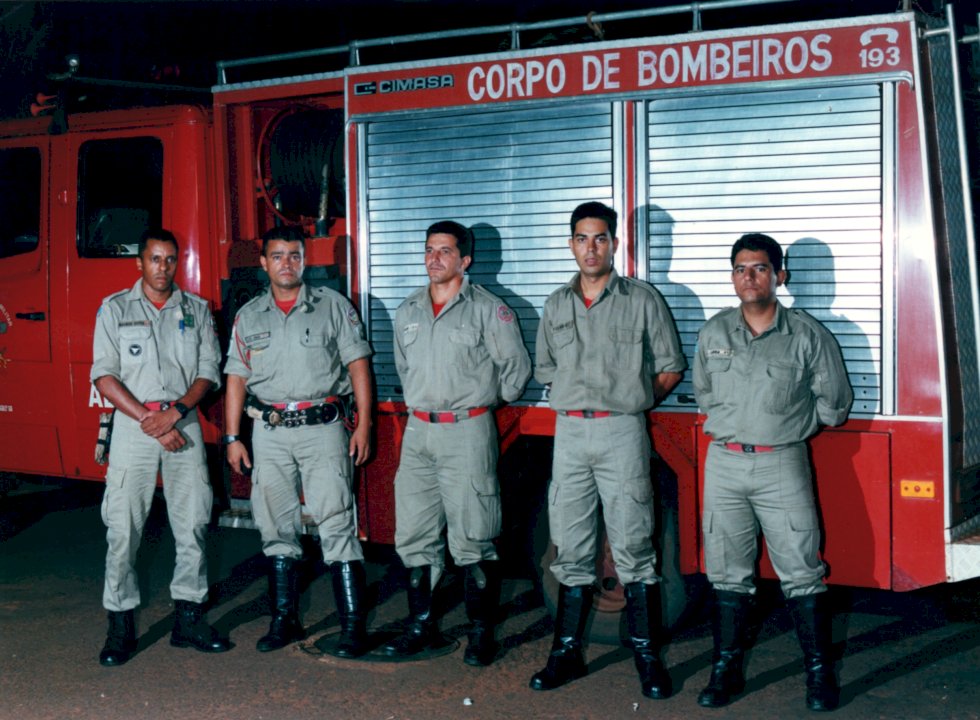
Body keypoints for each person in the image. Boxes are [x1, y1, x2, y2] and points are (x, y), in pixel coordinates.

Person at [530, 201, 685, 699]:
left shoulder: (642, 299)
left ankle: (646, 656)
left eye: (600, 238)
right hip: (571, 434)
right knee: (571, 549)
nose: (590, 248)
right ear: (571, 244)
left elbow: (670, 366)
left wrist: (631, 402)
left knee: (635, 548)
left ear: (615, 244)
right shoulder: (556, 304)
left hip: (621, 432)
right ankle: (566, 655)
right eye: (581, 238)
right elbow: (546, 369)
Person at [692, 233, 853, 712]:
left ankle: (820, 676)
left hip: (781, 463)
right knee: (726, 572)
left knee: (802, 571)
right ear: (732, 277)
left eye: (760, 268)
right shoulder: (714, 332)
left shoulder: (806, 335)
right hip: (724, 463)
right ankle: (725, 670)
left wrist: (784, 426)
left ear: (780, 276)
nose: (750, 277)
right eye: (741, 268)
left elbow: (835, 406)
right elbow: (704, 393)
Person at [383, 220, 531, 666]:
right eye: (429, 250)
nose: (434, 259)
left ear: (465, 260)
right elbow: (404, 367)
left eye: (445, 251)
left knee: (474, 536)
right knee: (413, 535)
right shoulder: (408, 309)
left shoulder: (489, 310)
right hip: (419, 431)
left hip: (467, 431)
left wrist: (478, 401)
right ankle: (420, 628)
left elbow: (516, 374)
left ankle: (481, 634)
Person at [223, 225, 374, 657]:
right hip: (269, 432)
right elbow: (236, 377)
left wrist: (364, 424)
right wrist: (234, 436)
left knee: (336, 521)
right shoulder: (249, 314)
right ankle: (284, 621)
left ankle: (351, 627)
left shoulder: (330, 306)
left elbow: (358, 364)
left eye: (294, 255)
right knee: (275, 527)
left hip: (322, 429)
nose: (286, 263)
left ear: (304, 260)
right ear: (264, 262)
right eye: (277, 256)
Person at [91, 228, 229, 666]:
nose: (163, 267)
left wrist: (177, 411)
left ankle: (188, 620)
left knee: (192, 524)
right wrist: (151, 420)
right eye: (155, 259)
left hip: (182, 421)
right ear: (140, 263)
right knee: (123, 528)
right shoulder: (114, 309)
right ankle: (120, 626)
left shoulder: (197, 309)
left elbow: (209, 370)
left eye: (170, 259)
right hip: (136, 426)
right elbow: (105, 376)